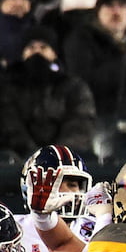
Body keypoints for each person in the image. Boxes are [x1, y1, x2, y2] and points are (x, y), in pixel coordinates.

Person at [0, 27, 95, 157]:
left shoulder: (74, 87)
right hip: (17, 160)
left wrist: (56, 156)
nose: (37, 52)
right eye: (31, 47)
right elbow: (9, 124)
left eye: (43, 47)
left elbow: (80, 124)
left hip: (64, 161)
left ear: (54, 53)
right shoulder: (8, 86)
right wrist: (33, 156)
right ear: (23, 53)